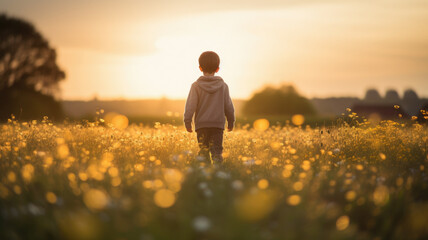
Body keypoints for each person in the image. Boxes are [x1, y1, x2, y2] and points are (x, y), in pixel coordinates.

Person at [184, 51, 235, 163]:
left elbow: (190, 105)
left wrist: (187, 121)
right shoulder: (223, 86)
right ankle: (218, 173)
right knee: (217, 152)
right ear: (217, 69)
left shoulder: (196, 86)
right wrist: (231, 121)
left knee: (203, 151)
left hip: (201, 126)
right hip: (217, 125)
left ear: (200, 68)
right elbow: (228, 106)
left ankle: (204, 175)